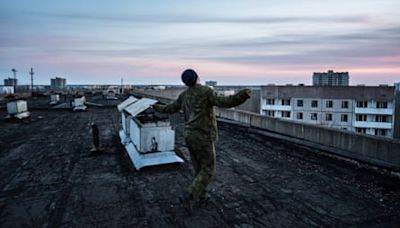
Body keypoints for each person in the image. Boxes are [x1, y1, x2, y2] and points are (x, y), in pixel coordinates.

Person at [153, 69, 251, 211]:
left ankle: (201, 195)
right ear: (197, 77)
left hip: (189, 136)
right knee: (209, 169)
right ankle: (191, 194)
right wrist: (243, 95)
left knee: (198, 168)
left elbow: (169, 108)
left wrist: (155, 106)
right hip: (203, 137)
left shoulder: (184, 95)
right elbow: (225, 102)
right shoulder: (206, 91)